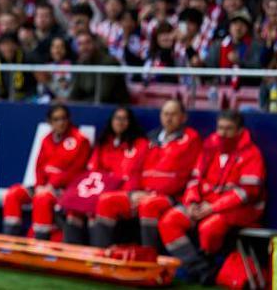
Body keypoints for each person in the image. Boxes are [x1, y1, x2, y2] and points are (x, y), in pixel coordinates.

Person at [157, 111, 265, 283]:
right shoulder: (209, 147)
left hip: (240, 210)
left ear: (239, 131)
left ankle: (206, 268)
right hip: (205, 205)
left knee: (209, 228)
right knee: (169, 221)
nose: (222, 133)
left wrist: (213, 208)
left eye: (228, 129)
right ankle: (200, 268)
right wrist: (191, 202)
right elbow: (194, 179)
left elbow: (248, 192)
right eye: (220, 128)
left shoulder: (251, 153)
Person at [88, 99, 201, 248]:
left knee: (149, 205)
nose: (168, 118)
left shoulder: (191, 139)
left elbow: (182, 175)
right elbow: (136, 169)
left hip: (170, 197)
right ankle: (100, 253)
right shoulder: (150, 138)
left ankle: (149, 255)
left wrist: (154, 193)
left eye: (173, 114)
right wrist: (134, 192)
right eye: (165, 114)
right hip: (142, 193)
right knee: (106, 200)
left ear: (183, 117)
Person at [2, 104, 91, 240]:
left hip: (65, 190)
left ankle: (40, 242)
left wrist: (51, 186)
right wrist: (39, 185)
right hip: (43, 187)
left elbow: (76, 171)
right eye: (56, 119)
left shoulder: (80, 140)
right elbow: (39, 167)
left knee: (42, 199)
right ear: (49, 122)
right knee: (13, 194)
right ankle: (9, 240)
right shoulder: (47, 139)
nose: (61, 123)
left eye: (63, 118)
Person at [62, 106, 146, 244]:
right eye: (117, 118)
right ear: (111, 121)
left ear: (130, 122)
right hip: (100, 189)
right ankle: (73, 251)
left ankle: (97, 252)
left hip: (123, 193)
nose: (120, 122)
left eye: (125, 119)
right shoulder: (103, 143)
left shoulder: (140, 144)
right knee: (74, 207)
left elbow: (134, 174)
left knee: (100, 204)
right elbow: (93, 170)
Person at [69, 31, 129, 104]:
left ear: (95, 44)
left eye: (88, 42)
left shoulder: (108, 62)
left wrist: (81, 103)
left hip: (113, 107)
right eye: (80, 44)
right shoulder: (82, 64)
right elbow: (74, 94)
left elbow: (103, 96)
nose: (84, 47)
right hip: (90, 105)